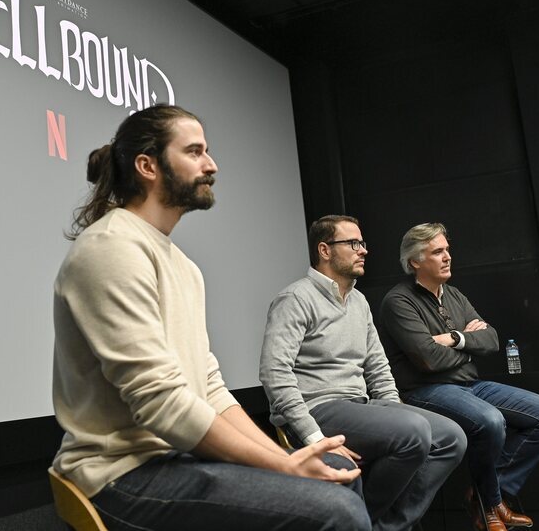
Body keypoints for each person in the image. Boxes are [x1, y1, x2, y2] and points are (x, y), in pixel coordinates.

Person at [51, 106, 371, 531]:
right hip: (121, 475)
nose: (211, 164)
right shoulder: (111, 248)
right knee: (338, 511)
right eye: (195, 151)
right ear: (147, 166)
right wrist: (283, 466)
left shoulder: (182, 264)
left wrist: (288, 460)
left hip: (178, 458)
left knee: (333, 472)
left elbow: (212, 390)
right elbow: (161, 404)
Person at [260, 214, 466, 531]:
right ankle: (360, 523)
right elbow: (275, 375)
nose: (363, 250)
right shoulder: (295, 299)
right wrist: (315, 437)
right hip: (319, 408)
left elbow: (379, 368)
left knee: (451, 437)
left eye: (362, 243)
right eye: (353, 243)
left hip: (360, 405)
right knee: (413, 431)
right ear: (325, 250)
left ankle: (376, 524)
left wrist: (395, 412)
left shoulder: (359, 301)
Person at [377, 222, 539, 531]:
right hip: (426, 390)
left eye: (447, 250)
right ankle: (489, 505)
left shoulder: (454, 294)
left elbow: (491, 340)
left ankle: (487, 495)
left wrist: (454, 338)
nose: (447, 257)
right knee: (491, 421)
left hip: (470, 385)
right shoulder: (398, 302)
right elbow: (428, 359)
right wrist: (467, 342)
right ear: (415, 261)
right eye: (437, 251)